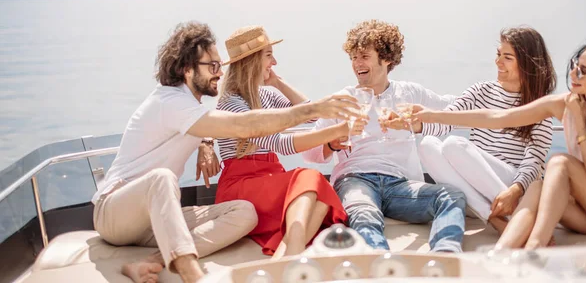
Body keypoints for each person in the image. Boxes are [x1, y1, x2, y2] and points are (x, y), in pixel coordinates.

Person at [91, 22, 361, 283]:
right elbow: (244, 125)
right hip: (116, 212)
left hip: (151, 219)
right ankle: (193, 276)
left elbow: (207, 123)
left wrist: (205, 143)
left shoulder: (192, 106)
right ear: (186, 69)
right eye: (213, 66)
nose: (219, 73)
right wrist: (315, 110)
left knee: (244, 213)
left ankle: (150, 261)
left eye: (219, 65)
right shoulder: (170, 101)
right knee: (162, 178)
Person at [406, 40, 586, 249]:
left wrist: (581, 126)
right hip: (584, 215)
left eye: (583, 71)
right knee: (537, 186)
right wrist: (431, 116)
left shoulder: (573, 109)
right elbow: (498, 117)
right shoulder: (563, 103)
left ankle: (535, 246)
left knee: (560, 161)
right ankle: (501, 255)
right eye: (574, 66)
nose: (572, 74)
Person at [303, 19, 467, 253]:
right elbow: (309, 153)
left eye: (364, 57)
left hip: (401, 184)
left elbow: (452, 112)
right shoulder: (343, 99)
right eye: (353, 58)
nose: (357, 64)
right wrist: (331, 143)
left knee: (451, 195)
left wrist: (419, 123)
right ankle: (381, 266)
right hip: (356, 180)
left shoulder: (410, 93)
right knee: (364, 214)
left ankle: (445, 254)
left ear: (387, 59)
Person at [385, 27, 556, 232]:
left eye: (507, 57)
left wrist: (515, 190)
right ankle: (492, 216)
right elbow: (446, 120)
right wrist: (414, 124)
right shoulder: (481, 91)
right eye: (498, 54)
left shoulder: (540, 104)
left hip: (512, 184)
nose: (498, 62)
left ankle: (513, 214)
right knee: (426, 144)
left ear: (527, 62)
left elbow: (535, 160)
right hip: (477, 182)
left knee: (454, 144)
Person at [215, 26, 353, 259]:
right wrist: (338, 130)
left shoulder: (268, 95)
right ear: (251, 60)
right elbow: (281, 145)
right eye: (268, 55)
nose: (275, 62)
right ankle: (295, 257)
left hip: (269, 181)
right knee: (310, 178)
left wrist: (278, 83)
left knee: (323, 195)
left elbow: (312, 116)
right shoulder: (231, 105)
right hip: (241, 186)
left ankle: (285, 259)